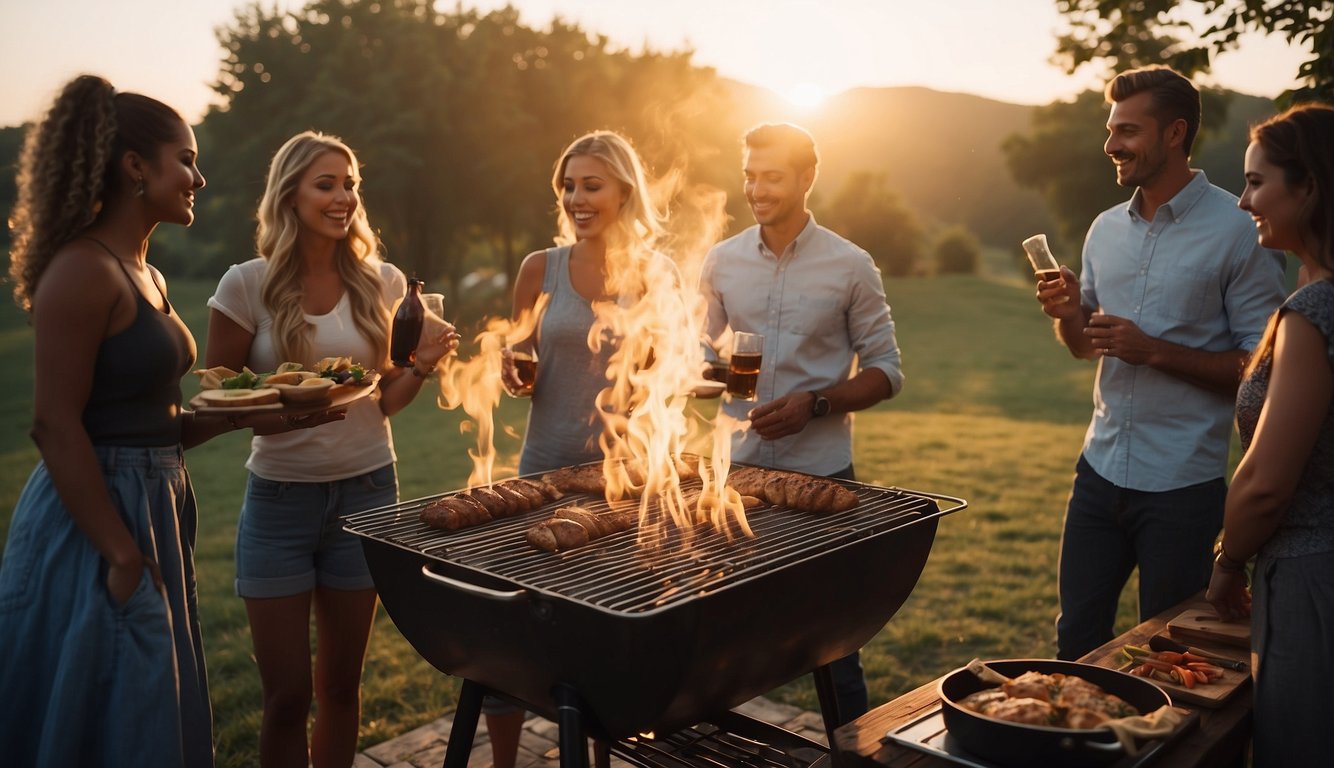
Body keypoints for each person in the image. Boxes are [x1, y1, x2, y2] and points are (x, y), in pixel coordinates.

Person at [0, 74, 334, 767]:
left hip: (156, 498)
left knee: (148, 701)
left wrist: (258, 412)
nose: (198, 178)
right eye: (185, 159)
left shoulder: (144, 273)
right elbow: (55, 425)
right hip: (96, 519)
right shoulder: (83, 269)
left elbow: (155, 423)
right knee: (111, 704)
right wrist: (120, 552)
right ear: (134, 168)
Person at [203, 131, 458, 768]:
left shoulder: (386, 281)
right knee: (286, 696)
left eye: (350, 185)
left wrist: (420, 367)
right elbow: (218, 401)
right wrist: (284, 412)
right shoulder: (245, 284)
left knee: (342, 688)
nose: (344, 197)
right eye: (327, 184)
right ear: (289, 195)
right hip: (279, 503)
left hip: (367, 492)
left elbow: (385, 400)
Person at [1035, 66, 1287, 661]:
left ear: (1175, 134)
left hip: (1182, 486)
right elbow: (1082, 344)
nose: (1111, 144)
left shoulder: (1238, 231)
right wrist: (1069, 313)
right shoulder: (1103, 231)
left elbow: (1266, 368)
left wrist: (1155, 351)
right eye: (1110, 129)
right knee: (1075, 639)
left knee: (1172, 651)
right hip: (1097, 474)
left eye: (1128, 130)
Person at [698, 122, 904, 724]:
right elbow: (700, 354)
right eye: (749, 176)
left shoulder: (850, 265)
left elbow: (888, 372)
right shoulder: (723, 260)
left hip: (821, 475)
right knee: (723, 635)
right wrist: (692, 373)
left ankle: (848, 754)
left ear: (808, 178)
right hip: (733, 475)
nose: (757, 190)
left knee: (832, 645)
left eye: (772, 177)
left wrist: (816, 402)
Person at [496, 129, 669, 767]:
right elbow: (520, 359)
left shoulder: (658, 275)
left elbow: (669, 374)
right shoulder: (540, 269)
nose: (576, 197)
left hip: (624, 479)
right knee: (519, 628)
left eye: (591, 185)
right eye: (568, 186)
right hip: (543, 468)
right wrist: (514, 369)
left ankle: (601, 758)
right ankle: (504, 760)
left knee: (607, 628)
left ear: (625, 191)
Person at [1206, 102, 1334, 767]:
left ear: (1308, 184)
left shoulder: (1314, 312)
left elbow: (1264, 482)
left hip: (1313, 581)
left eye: (1257, 182)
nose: (1243, 200)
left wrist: (1229, 563)